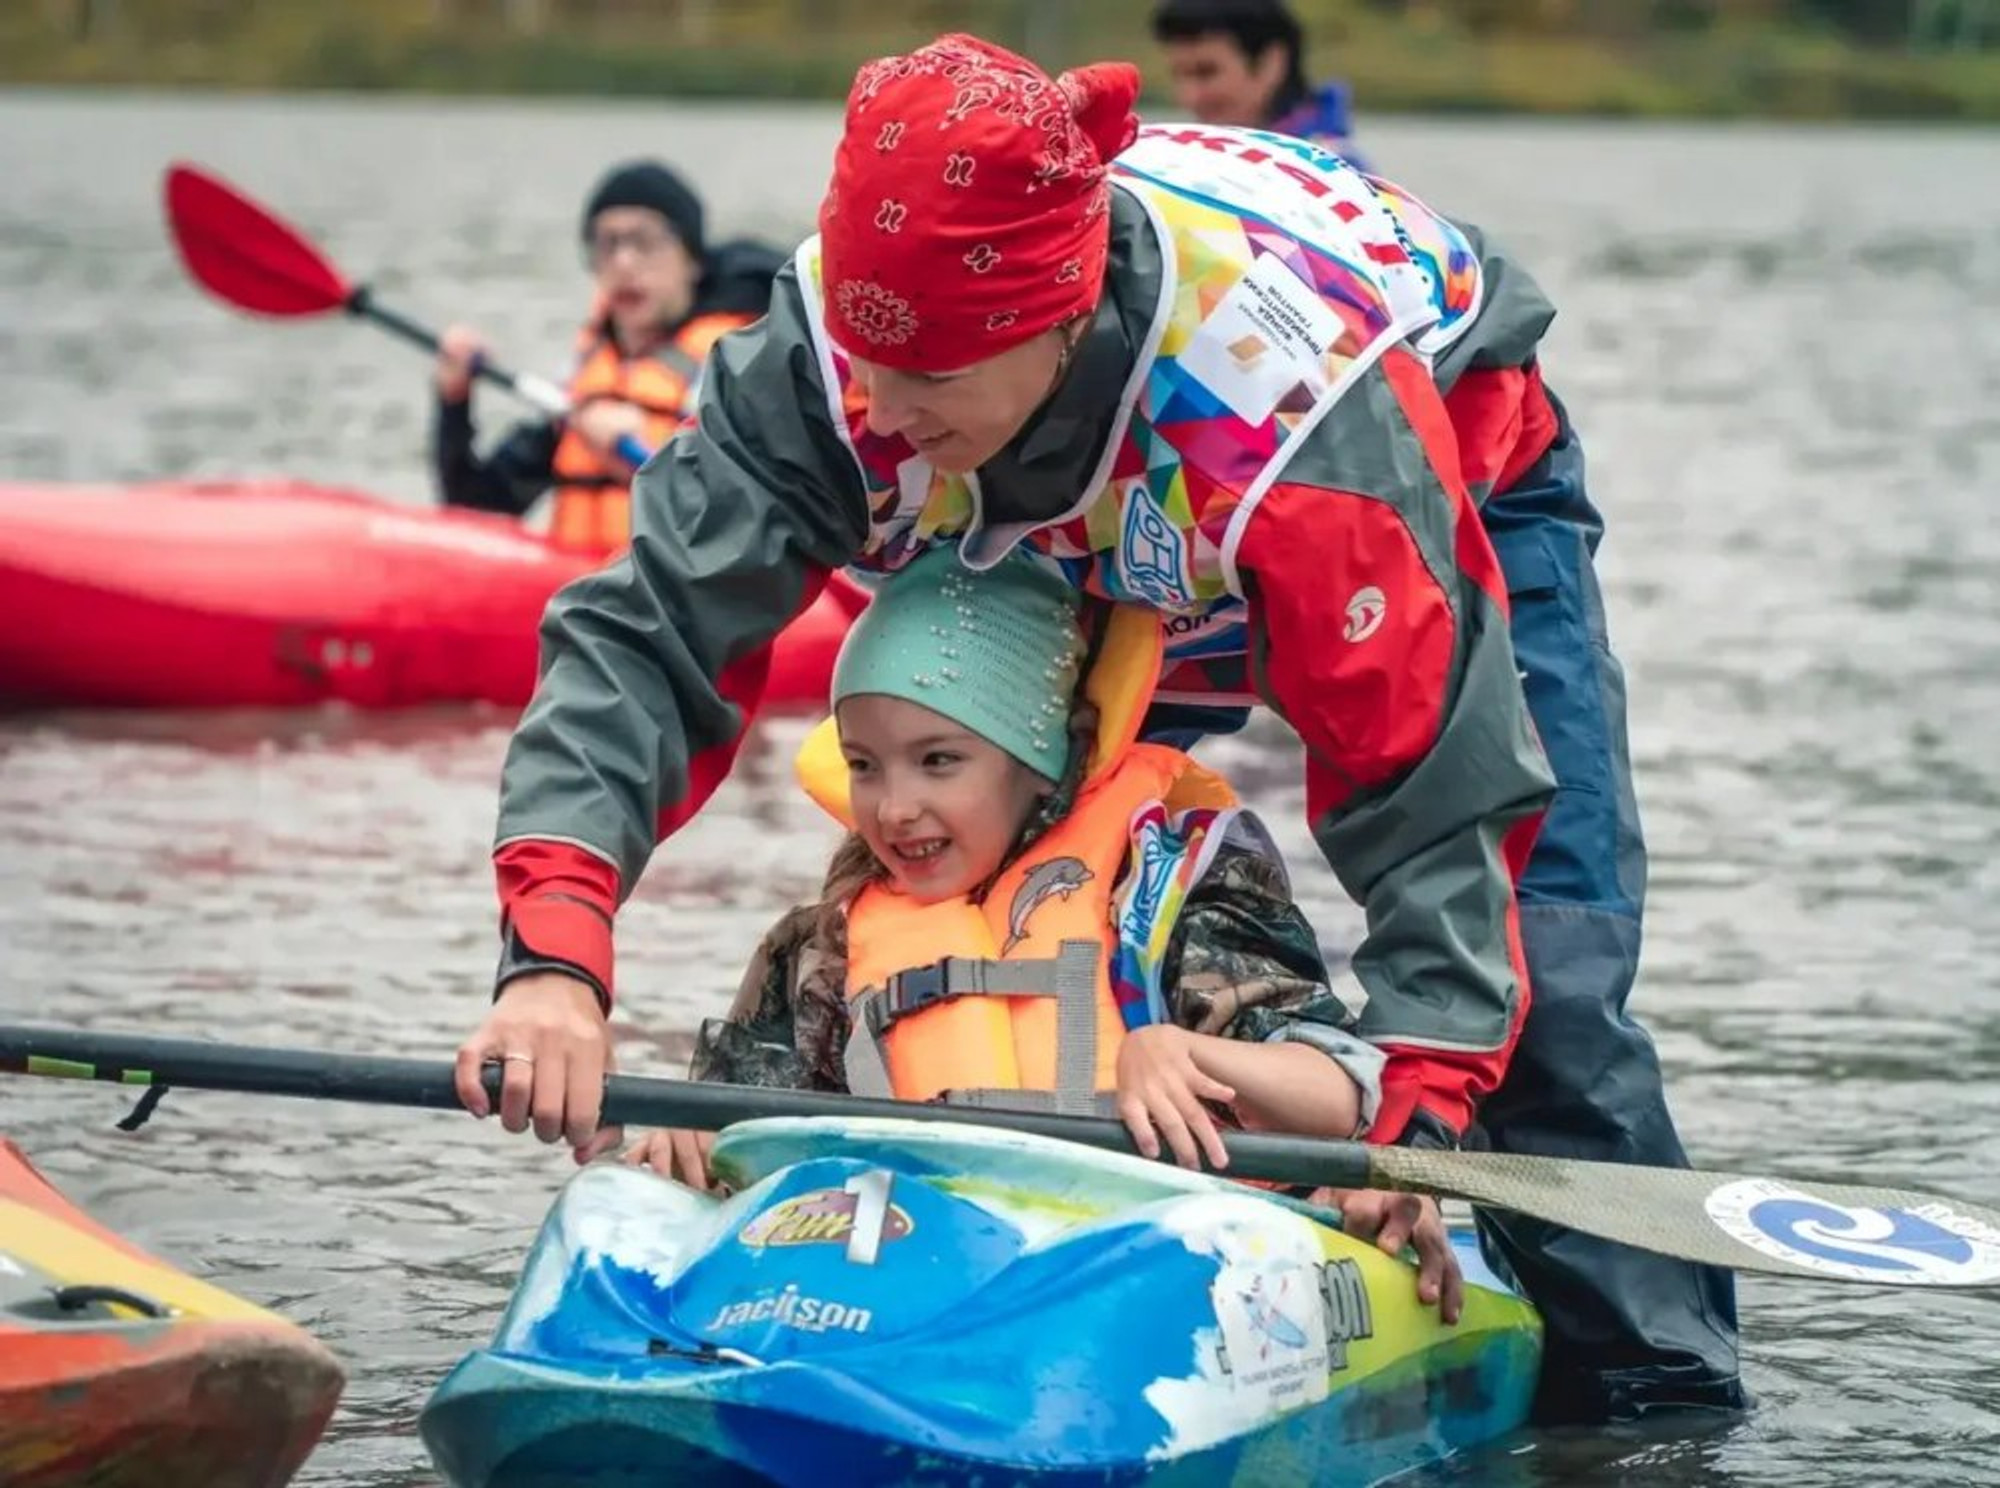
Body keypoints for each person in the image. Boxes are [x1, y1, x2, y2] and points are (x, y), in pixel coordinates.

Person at [451, 34, 1743, 1423]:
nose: (876, 416)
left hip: (1426, 483)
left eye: (923, 373)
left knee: (1536, 989)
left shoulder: (1301, 427)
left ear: (1053, 323)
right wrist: (554, 958)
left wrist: (1415, 1118)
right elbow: (645, 641)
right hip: (1063, 512)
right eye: (866, 362)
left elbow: (1434, 784)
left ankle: (1646, 1402)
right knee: (997, 866)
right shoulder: (832, 358)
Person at [604, 547, 1463, 1317]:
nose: (894, 808)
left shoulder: (1161, 884)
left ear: (1037, 758)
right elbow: (760, 1128)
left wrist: (1188, 1053)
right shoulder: (823, 943)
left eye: (939, 760)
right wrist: (695, 1140)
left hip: (1157, 1269)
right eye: (863, 764)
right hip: (910, 1287)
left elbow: (1343, 1093)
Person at [432, 159, 782, 553]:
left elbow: (760, 519)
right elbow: (476, 511)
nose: (624, 263)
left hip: (691, 602)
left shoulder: (745, 366)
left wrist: (654, 460)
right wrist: (454, 404)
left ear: (692, 261)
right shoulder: (583, 383)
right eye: (606, 243)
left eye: (645, 242)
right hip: (585, 598)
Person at [1150, 0, 1367, 167]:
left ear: (1271, 62)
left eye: (1206, 73)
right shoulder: (1199, 160)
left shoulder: (1333, 174)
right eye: (1179, 75)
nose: (1188, 97)